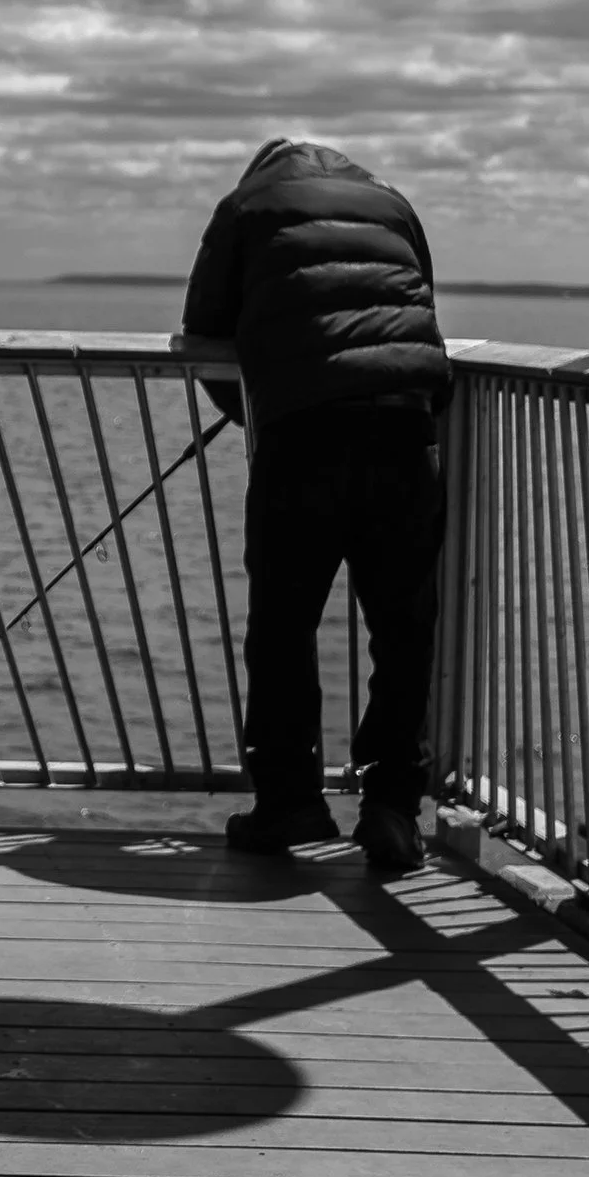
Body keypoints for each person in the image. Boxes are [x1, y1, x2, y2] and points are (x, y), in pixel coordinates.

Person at [181, 136, 450, 873]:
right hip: (407, 426)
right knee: (404, 628)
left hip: (304, 440)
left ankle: (290, 801)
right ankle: (394, 807)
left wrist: (259, 412)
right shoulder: (392, 202)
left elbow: (204, 328)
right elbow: (415, 310)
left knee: (284, 625)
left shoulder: (246, 207)